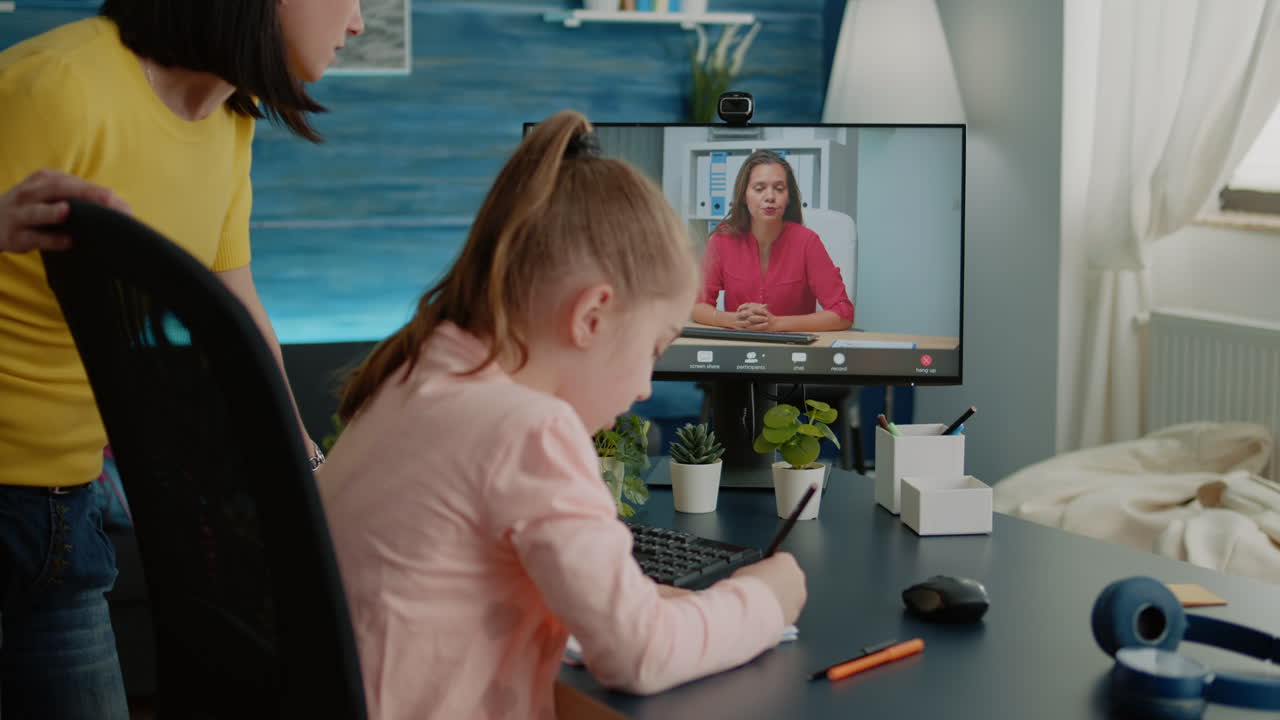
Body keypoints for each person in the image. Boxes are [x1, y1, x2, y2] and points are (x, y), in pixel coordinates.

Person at [318, 111, 808, 720]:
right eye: (653, 348)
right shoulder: (527, 429)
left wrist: (636, 600)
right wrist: (767, 599)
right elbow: (638, 653)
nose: (645, 388)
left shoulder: (415, 377)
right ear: (591, 317)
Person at [0, 1, 364, 718]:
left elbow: (239, 304)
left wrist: (309, 469)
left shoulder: (230, 119)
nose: (356, 21)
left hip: (69, 508)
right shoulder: (56, 85)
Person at [691, 149, 855, 332]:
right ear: (744, 195)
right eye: (759, 189)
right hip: (739, 344)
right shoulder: (722, 240)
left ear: (788, 197)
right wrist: (732, 320)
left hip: (792, 346)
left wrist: (776, 324)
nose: (770, 197)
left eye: (779, 189)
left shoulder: (807, 242)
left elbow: (843, 313)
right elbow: (697, 305)